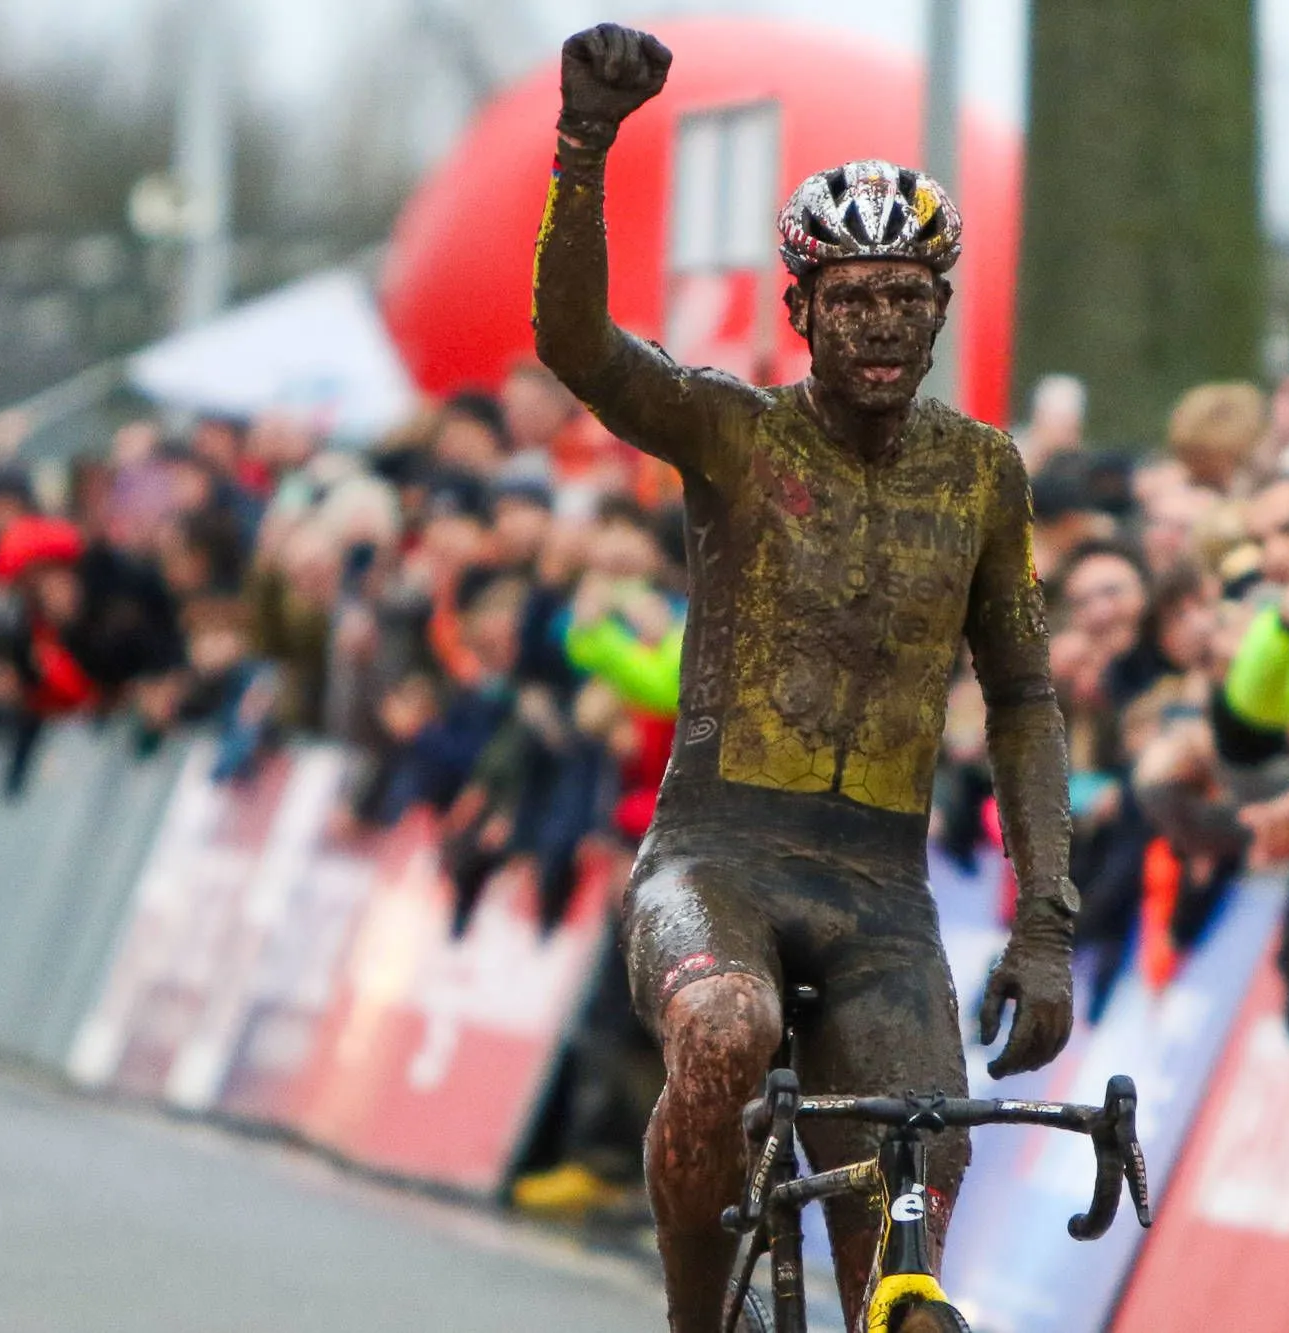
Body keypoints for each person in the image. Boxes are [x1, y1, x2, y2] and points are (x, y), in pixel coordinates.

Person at [532, 25, 1074, 1330]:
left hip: (879, 888)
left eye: (909, 298)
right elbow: (577, 343)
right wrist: (585, 146)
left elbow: (1023, 697)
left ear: (940, 310)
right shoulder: (735, 430)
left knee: (912, 1190)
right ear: (803, 311)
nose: (882, 324)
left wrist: (1046, 923)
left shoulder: (985, 472)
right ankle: (694, 1315)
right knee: (724, 1031)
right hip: (715, 857)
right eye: (853, 297)